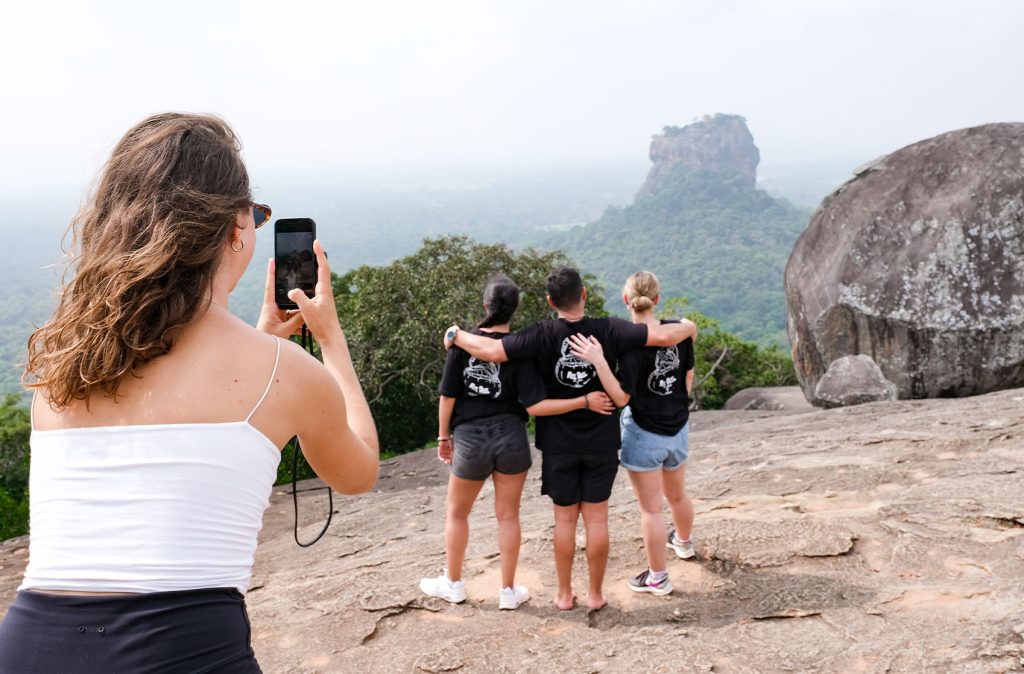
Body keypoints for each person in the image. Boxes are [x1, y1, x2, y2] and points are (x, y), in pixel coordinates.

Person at [0, 113, 379, 672]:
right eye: (254, 213)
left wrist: (260, 339)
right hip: (182, 652)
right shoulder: (286, 372)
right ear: (233, 228)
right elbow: (359, 471)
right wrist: (332, 343)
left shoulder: (62, 367)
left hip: (30, 647)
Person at [443, 268, 696, 610]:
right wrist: (690, 327)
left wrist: (456, 335)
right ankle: (595, 594)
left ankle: (564, 595)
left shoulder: (540, 334)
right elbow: (664, 338)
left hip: (559, 444)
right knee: (597, 519)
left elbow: (492, 353)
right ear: (585, 295)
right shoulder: (609, 328)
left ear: (550, 302)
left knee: (564, 520)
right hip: (602, 441)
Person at [421, 276, 616, 610]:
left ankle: (453, 583)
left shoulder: (462, 346)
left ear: (486, 306)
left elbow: (447, 396)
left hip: (470, 440)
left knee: (457, 514)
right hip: (512, 439)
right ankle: (508, 591)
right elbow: (532, 403)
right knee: (508, 516)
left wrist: (443, 436)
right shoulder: (521, 349)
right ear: (515, 309)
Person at [569, 271, 695, 596]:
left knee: (651, 510)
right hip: (678, 427)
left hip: (645, 432)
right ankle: (683, 542)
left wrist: (599, 362)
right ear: (657, 299)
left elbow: (622, 398)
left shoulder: (627, 343)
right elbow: (687, 380)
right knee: (678, 495)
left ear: (626, 301)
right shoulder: (677, 331)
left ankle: (658, 578)